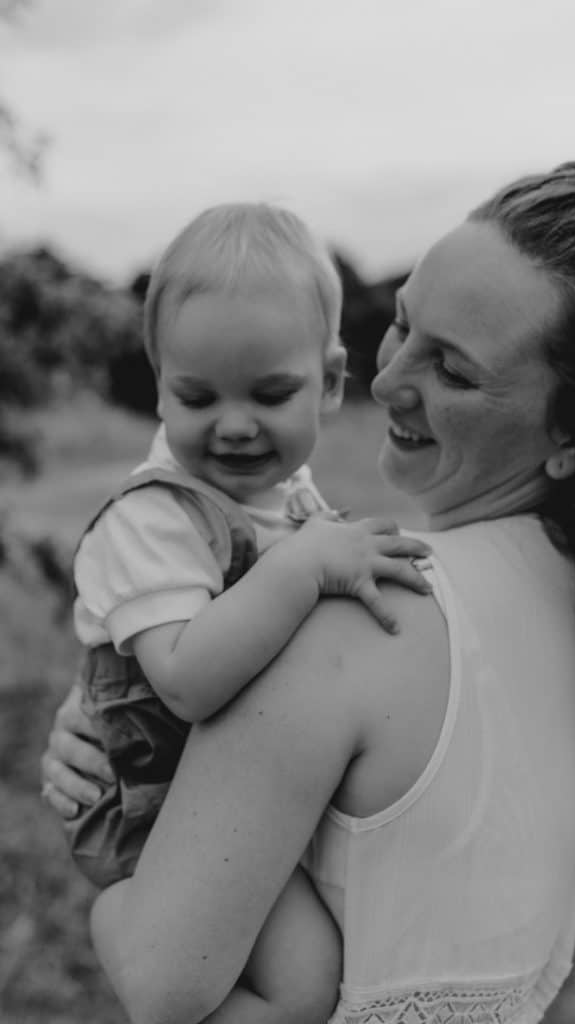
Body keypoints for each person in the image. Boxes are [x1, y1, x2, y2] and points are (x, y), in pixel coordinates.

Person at [42, 162, 575, 1024]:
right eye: (405, 325)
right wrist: (124, 710)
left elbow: (163, 980)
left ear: (574, 437)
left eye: (451, 371)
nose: (383, 384)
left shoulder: (349, 623)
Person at [59, 202, 433, 1024]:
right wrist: (302, 571)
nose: (233, 427)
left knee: (309, 976)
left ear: (331, 383)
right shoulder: (151, 518)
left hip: (230, 795)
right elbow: (187, 680)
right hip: (153, 808)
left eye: (270, 394)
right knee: (300, 986)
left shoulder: (288, 499)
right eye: (196, 398)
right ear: (159, 382)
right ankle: (122, 923)